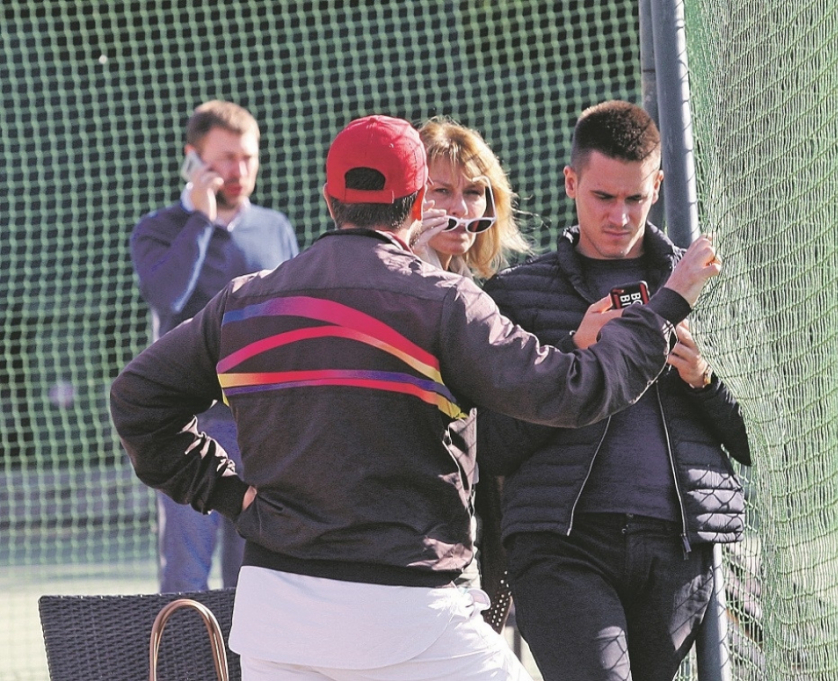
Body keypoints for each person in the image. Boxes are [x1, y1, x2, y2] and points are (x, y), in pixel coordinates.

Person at [110, 113, 722, 681]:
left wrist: (229, 495)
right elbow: (574, 391)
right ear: (416, 202)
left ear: (329, 198)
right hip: (412, 612)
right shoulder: (445, 302)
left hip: (276, 618)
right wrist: (665, 306)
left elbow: (136, 399)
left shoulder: (245, 300)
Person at [477, 100, 753, 681]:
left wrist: (703, 381)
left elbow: (754, 441)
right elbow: (492, 447)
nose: (620, 217)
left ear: (658, 187)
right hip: (560, 544)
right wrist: (571, 356)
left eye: (636, 198)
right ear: (570, 183)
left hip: (677, 547)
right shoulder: (514, 295)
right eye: (603, 197)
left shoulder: (703, 285)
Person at [129, 100, 300, 592]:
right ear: (194, 159)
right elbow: (167, 296)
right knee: (186, 575)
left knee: (255, 575)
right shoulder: (157, 229)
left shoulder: (275, 228)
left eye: (248, 158)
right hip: (187, 429)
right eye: (226, 158)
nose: (239, 171)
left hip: (261, 427)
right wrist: (201, 221)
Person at [413, 116, 530, 617]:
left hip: (479, 520)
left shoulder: (489, 293)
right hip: (411, 534)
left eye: (475, 192)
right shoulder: (391, 281)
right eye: (441, 191)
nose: (460, 208)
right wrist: (415, 267)